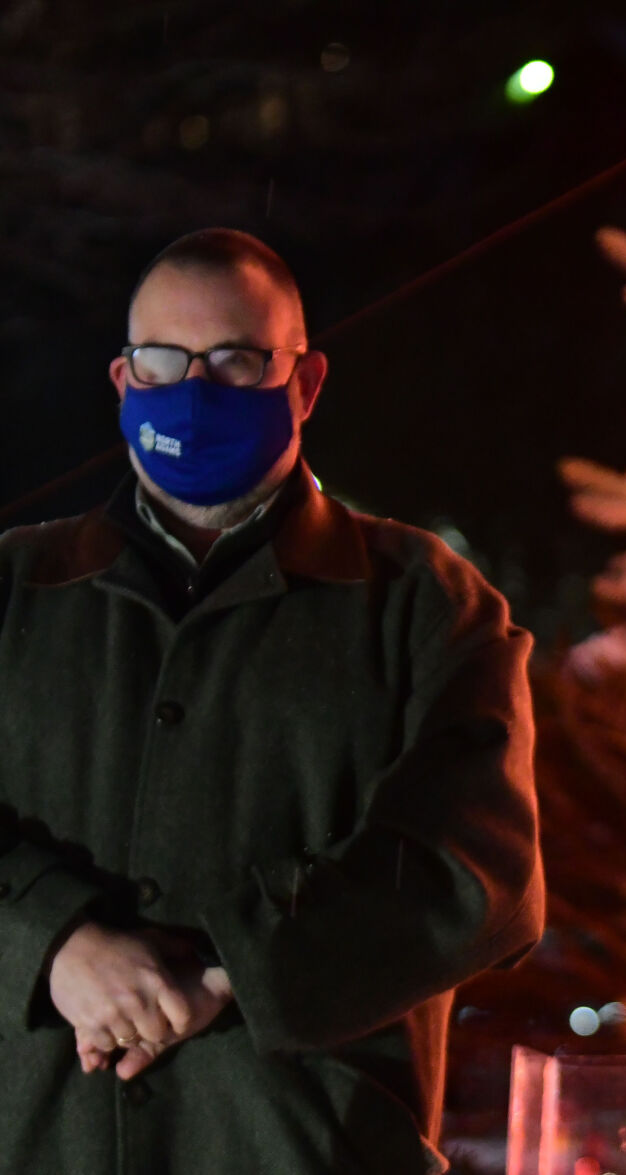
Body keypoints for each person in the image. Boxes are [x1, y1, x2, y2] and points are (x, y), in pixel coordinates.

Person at [0, 228, 544, 1173]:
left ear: (305, 380)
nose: (195, 390)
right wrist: (52, 941)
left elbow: (478, 871)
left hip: (307, 1149)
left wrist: (228, 968)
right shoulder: (12, 588)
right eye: (164, 361)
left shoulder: (420, 600)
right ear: (124, 380)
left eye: (237, 361)